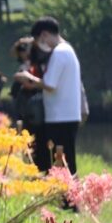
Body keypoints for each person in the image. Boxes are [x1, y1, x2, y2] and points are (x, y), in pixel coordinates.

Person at [14, 17, 88, 175]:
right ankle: (67, 198)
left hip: (61, 118)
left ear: (44, 35)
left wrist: (27, 77)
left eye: (37, 39)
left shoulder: (59, 53)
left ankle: (69, 199)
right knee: (63, 162)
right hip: (65, 116)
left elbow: (49, 84)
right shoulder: (67, 50)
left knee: (63, 163)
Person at [10, 37, 52, 171]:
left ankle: (38, 170)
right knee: (31, 142)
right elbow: (12, 52)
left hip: (36, 111)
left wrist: (26, 80)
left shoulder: (41, 63)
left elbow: (34, 85)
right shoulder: (32, 63)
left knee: (38, 144)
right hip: (29, 110)